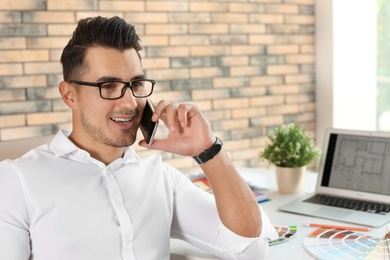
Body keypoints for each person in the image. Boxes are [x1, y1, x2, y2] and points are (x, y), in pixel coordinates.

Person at [0, 16, 277, 259]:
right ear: (69, 95)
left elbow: (252, 248)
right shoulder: (16, 181)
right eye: (109, 86)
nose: (131, 103)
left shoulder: (161, 179)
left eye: (136, 84)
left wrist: (207, 150)